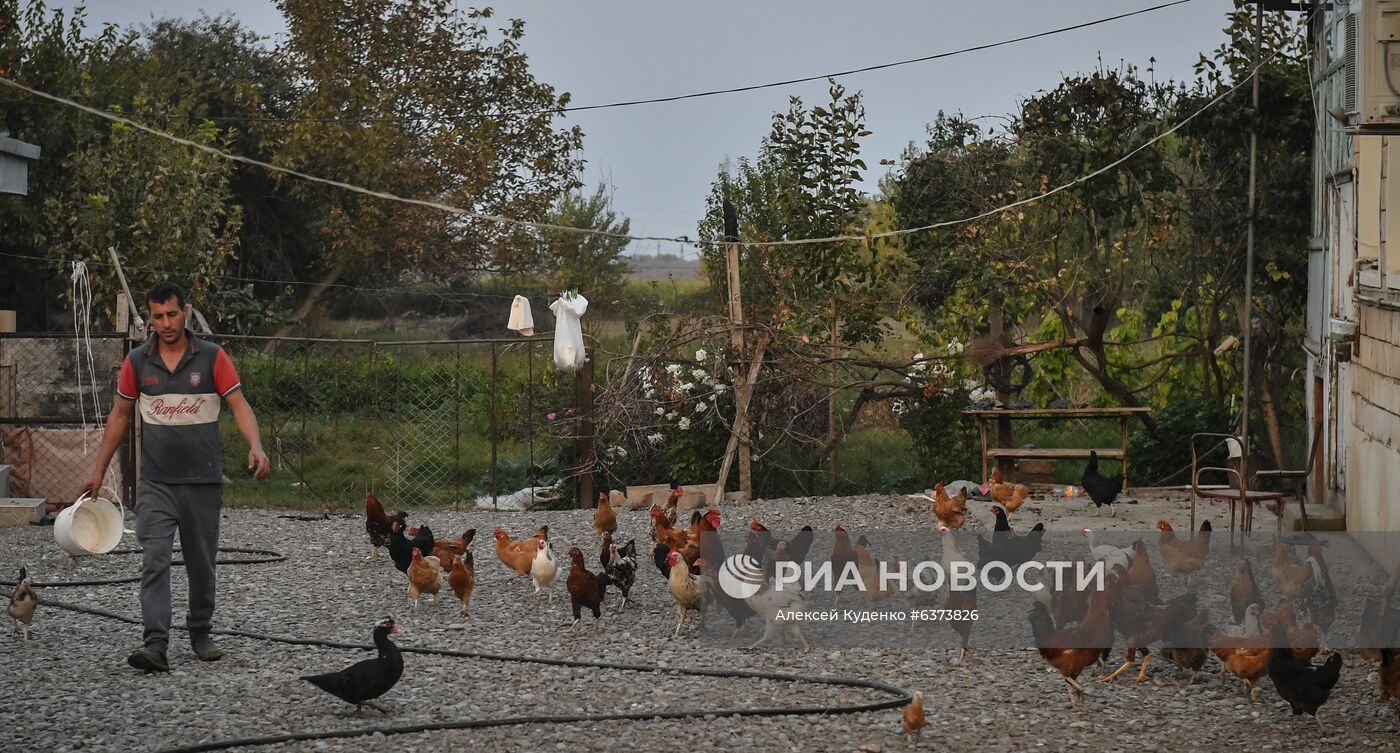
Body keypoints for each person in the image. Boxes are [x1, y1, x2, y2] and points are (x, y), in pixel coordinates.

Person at [81, 281, 270, 672]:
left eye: (171, 314)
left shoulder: (213, 358)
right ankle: (156, 644)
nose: (165, 323)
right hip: (155, 482)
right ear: (149, 318)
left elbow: (239, 403)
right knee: (154, 559)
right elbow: (118, 416)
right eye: (157, 316)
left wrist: (256, 444)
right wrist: (98, 470)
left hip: (202, 481)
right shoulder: (137, 362)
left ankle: (200, 631)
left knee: (202, 562)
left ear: (185, 312)